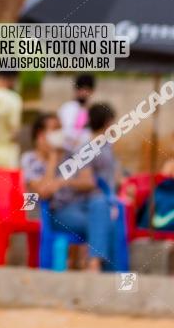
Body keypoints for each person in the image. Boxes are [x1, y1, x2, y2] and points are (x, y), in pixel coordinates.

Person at [21, 113, 116, 272]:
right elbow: (44, 192)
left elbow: (89, 182)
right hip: (57, 212)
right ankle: (97, 267)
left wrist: (65, 181)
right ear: (41, 135)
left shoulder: (71, 154)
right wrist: (52, 158)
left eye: (60, 128)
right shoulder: (30, 159)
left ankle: (94, 264)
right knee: (106, 223)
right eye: (55, 129)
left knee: (100, 203)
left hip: (83, 205)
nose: (60, 133)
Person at [86, 103, 119, 192]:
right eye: (113, 122)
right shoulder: (91, 147)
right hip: (99, 197)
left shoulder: (106, 144)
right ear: (107, 122)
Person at [58, 74, 95, 148]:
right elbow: (66, 131)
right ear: (75, 90)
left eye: (87, 89)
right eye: (81, 89)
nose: (83, 92)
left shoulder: (92, 111)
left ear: (92, 91)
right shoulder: (68, 108)